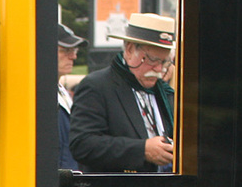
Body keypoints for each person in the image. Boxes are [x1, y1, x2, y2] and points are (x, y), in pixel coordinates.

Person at [69, 12, 176, 173]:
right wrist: (142, 150)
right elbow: (82, 144)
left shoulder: (163, 91)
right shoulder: (97, 86)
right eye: (153, 60)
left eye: (164, 62)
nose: (159, 69)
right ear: (130, 49)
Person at [54, 22, 86, 171]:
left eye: (74, 50)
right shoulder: (35, 97)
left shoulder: (61, 92)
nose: (73, 56)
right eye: (66, 50)